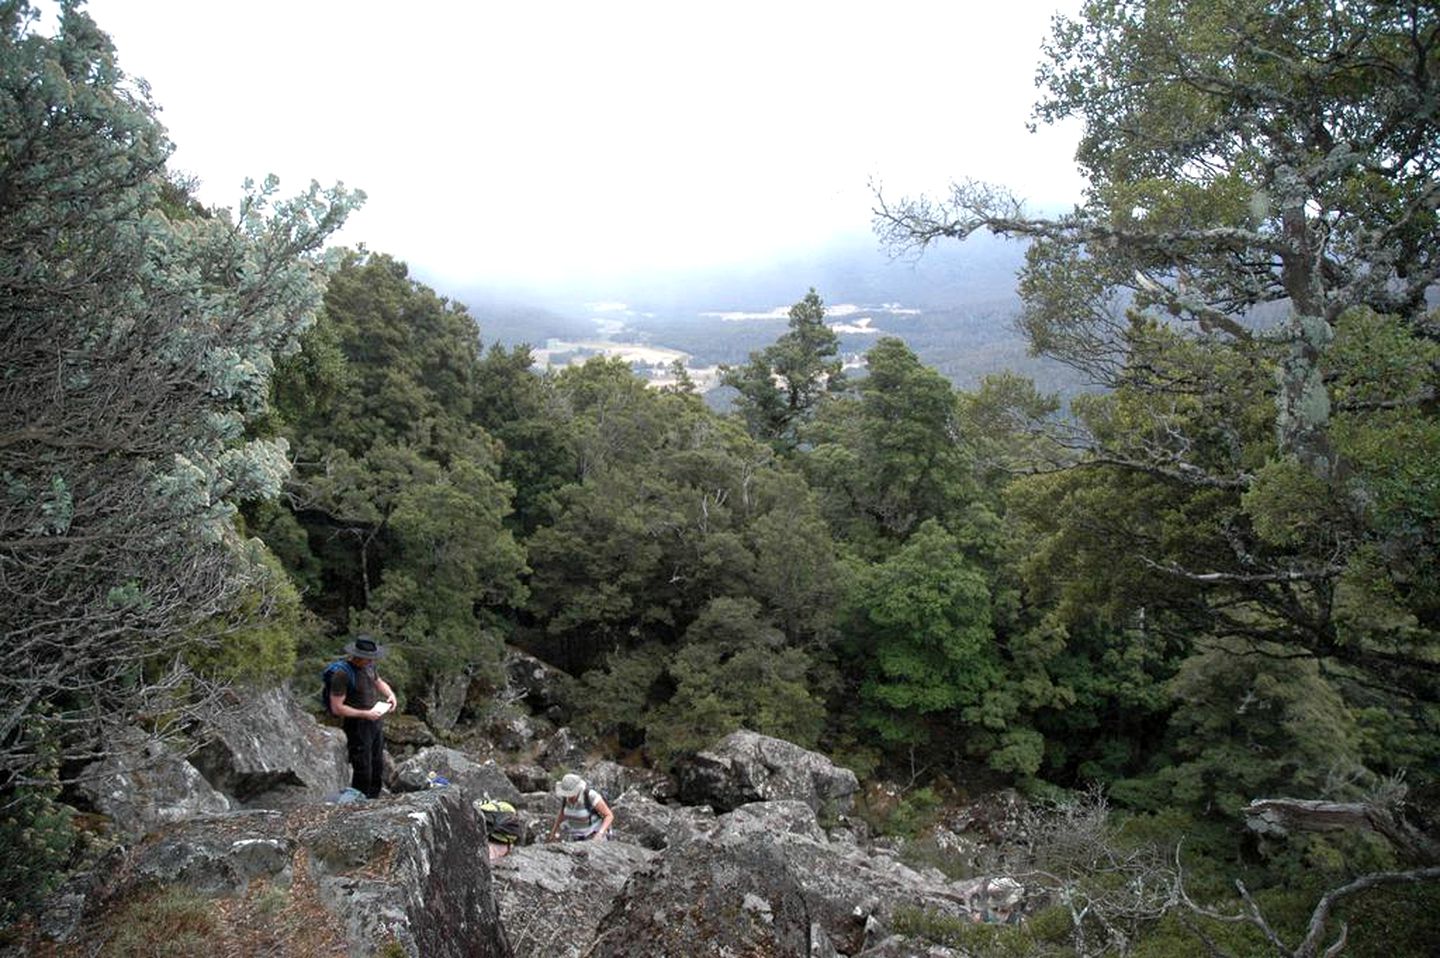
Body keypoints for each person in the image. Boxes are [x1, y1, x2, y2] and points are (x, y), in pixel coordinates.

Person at [327, 634, 398, 800]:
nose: (372, 661)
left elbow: (378, 682)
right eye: (369, 658)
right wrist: (365, 714)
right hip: (357, 725)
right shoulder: (342, 674)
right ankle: (358, 805)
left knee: (377, 764)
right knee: (362, 768)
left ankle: (373, 800)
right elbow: (337, 708)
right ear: (359, 656)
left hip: (375, 721)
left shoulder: (370, 667)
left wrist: (390, 695)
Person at [546, 772, 613, 842]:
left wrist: (600, 833)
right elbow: (561, 814)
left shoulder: (590, 796)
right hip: (575, 836)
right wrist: (554, 831)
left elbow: (609, 815)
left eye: (571, 794)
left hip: (593, 835)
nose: (569, 796)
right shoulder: (565, 798)